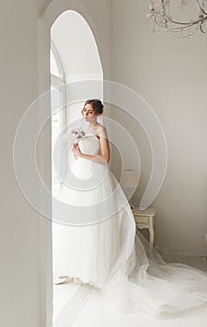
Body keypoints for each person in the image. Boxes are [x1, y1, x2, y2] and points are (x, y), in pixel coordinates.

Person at [52, 99, 207, 317]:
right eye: (83, 110)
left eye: (89, 111)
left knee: (98, 223)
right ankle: (76, 269)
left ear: (98, 113)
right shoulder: (80, 129)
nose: (85, 113)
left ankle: (100, 270)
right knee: (78, 222)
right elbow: (78, 151)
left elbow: (105, 159)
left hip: (95, 177)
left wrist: (83, 155)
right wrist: (75, 150)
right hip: (78, 175)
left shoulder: (100, 129)